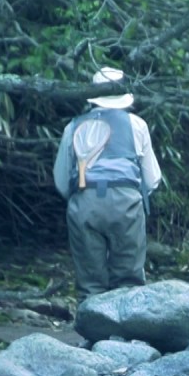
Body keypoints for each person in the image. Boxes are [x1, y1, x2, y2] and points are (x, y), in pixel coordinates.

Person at [53, 67, 162, 302]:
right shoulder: (137, 125)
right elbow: (152, 179)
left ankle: (92, 336)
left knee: (90, 283)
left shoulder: (72, 127)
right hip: (126, 203)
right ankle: (126, 336)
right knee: (128, 280)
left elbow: (62, 182)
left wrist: (82, 201)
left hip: (85, 201)